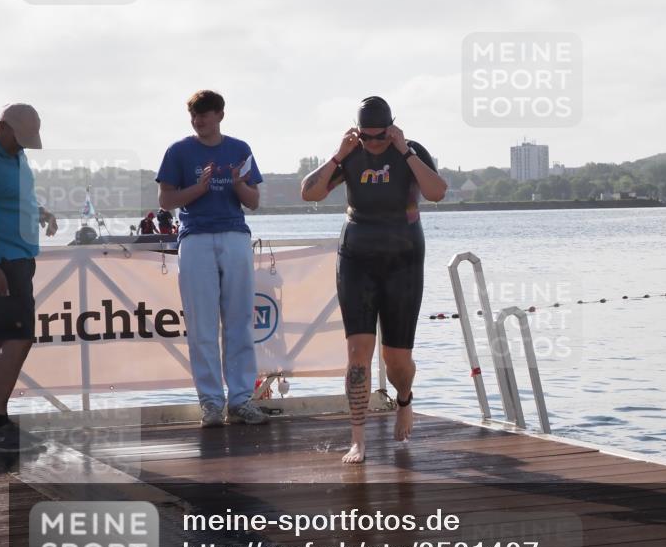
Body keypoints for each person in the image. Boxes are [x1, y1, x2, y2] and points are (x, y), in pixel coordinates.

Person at [300, 96, 447, 463]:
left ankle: (405, 400)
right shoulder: (350, 153)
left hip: (404, 257)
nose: (374, 144)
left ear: (392, 128)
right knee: (357, 354)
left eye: (380, 137)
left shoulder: (410, 151)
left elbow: (437, 193)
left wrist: (406, 152)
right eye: (367, 138)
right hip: (357, 256)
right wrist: (338, 154)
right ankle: (358, 438)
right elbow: (309, 193)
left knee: (397, 360)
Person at [155, 90, 269, 428]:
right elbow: (165, 200)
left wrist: (236, 184)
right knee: (202, 325)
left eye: (205, 114)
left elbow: (254, 201)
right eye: (194, 115)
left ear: (220, 114)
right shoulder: (178, 151)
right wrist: (198, 190)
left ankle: (241, 400)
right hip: (195, 238)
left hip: (234, 236)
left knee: (239, 323)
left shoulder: (239, 149)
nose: (199, 120)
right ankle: (210, 403)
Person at [0, 103, 57, 452]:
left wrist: (39, 212)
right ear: (1, 127)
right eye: (20, 140)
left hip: (18, 257)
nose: (23, 147)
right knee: (19, 338)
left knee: (0, 339)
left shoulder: (13, 153)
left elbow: (11, 198)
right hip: (3, 261)